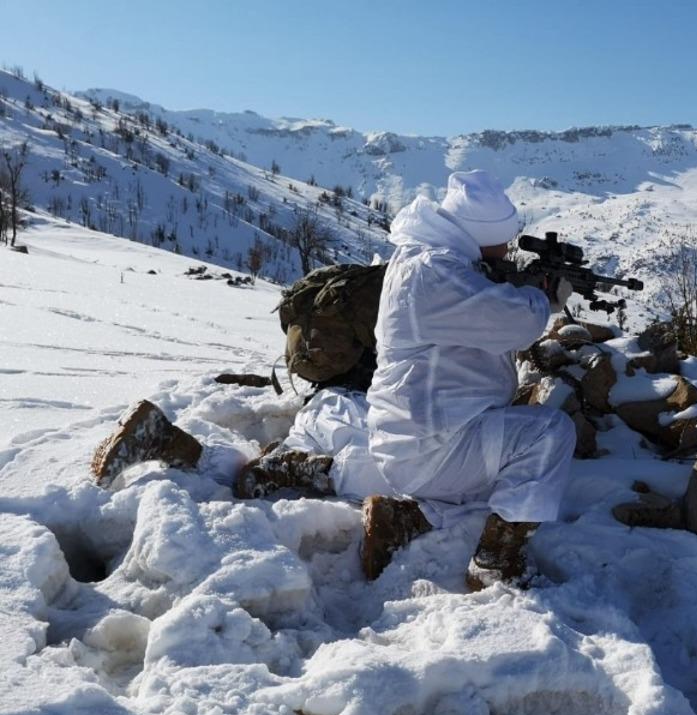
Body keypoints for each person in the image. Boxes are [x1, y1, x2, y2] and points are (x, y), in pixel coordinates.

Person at [92, 170, 576, 589]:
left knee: (338, 464)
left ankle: (182, 445)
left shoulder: (424, 260)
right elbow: (515, 323)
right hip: (433, 446)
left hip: (401, 432)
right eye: (501, 240)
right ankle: (495, 563)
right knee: (544, 439)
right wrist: (543, 297)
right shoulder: (437, 275)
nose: (505, 249)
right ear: (478, 232)